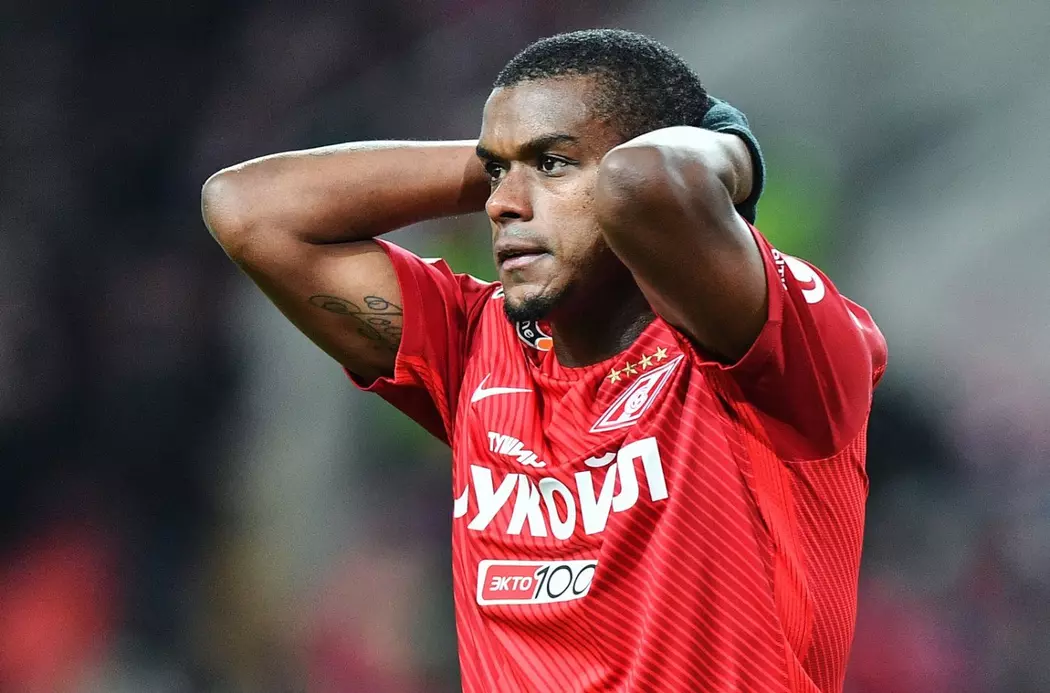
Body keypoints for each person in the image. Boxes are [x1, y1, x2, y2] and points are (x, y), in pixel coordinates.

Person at [202, 28, 887, 693]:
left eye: (552, 164)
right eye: (497, 171)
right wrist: (520, 165)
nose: (500, 204)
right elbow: (246, 207)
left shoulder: (771, 359)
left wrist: (734, 147)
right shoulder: (473, 346)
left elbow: (644, 180)